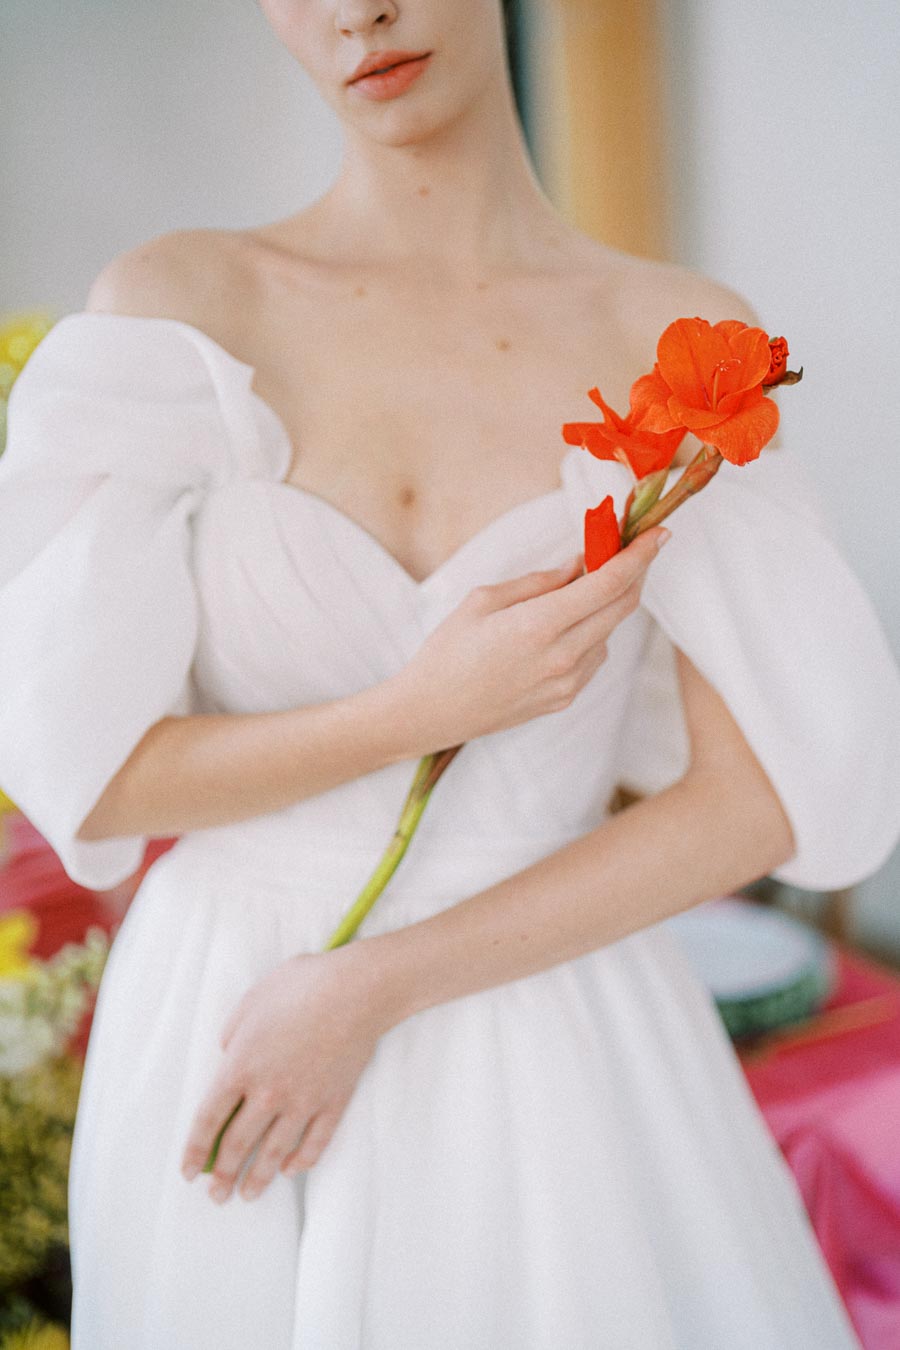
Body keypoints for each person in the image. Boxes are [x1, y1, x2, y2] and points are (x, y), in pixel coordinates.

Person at [1, 1, 898, 1345]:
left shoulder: (682, 340)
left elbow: (756, 799)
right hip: (226, 1017)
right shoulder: (183, 310)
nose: (359, 11)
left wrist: (369, 985)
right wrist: (419, 711)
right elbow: (101, 773)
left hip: (559, 1025)